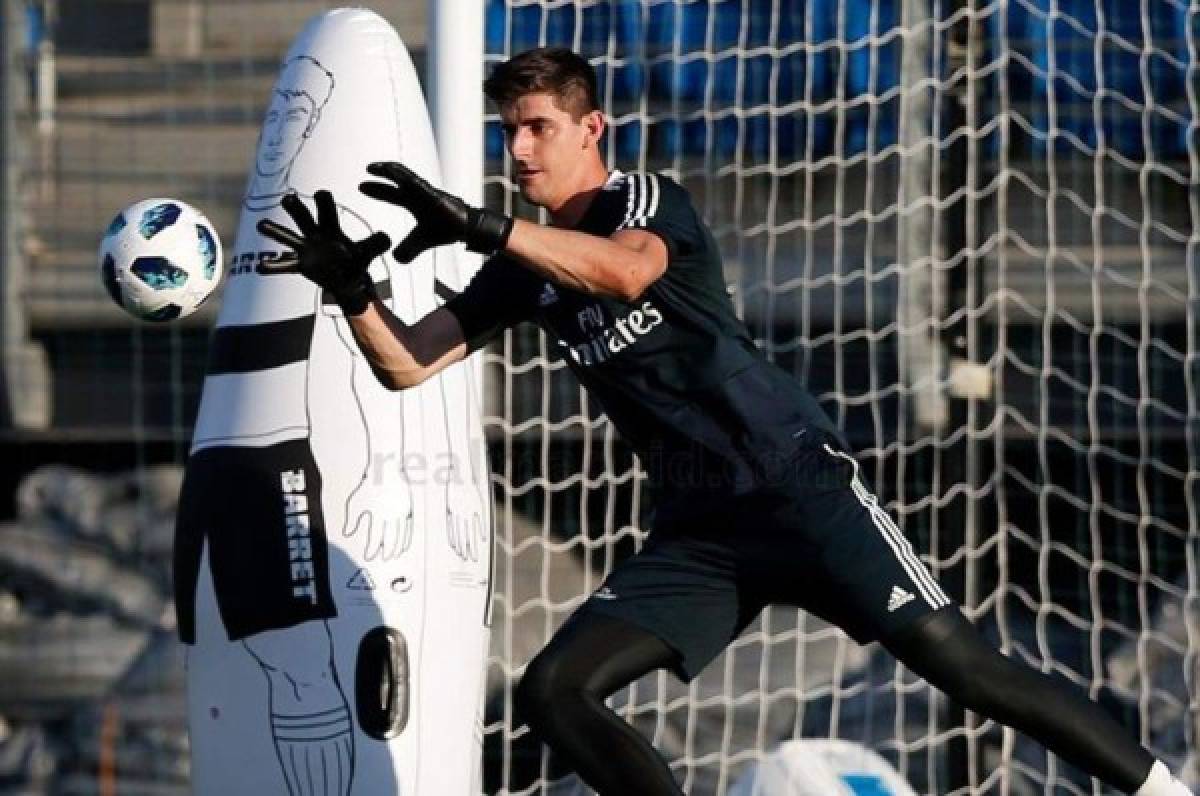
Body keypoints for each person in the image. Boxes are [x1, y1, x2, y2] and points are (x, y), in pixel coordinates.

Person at [256, 46, 1191, 796]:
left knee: (968, 674)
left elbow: (624, 272)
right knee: (554, 692)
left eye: (538, 127)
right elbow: (409, 363)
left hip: (799, 489)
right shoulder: (524, 265)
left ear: (593, 129)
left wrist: (482, 225)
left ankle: (1158, 788)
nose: (521, 151)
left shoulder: (647, 200)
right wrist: (353, 292)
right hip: (700, 534)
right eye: (509, 132)